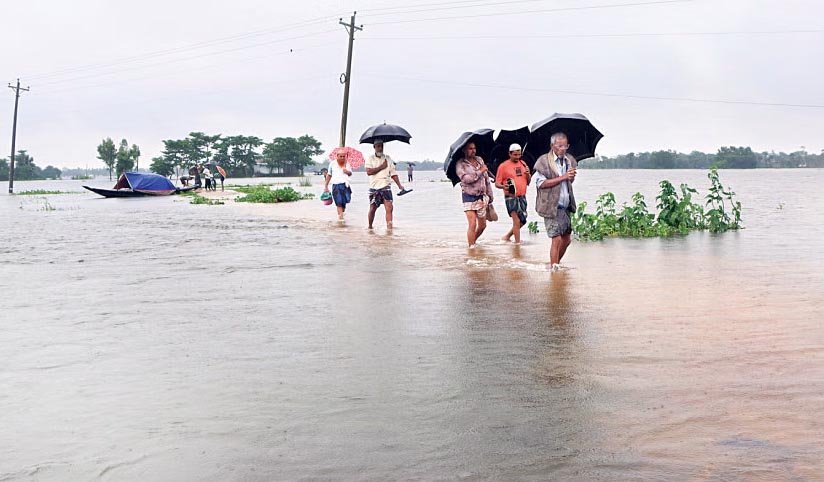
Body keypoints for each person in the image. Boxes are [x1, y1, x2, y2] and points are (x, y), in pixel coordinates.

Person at [533, 132, 578, 271]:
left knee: (567, 239)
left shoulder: (569, 160)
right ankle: (554, 270)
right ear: (552, 146)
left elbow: (569, 181)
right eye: (560, 146)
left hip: (565, 205)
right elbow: (541, 184)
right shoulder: (543, 161)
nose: (563, 149)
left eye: (566, 146)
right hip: (551, 205)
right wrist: (564, 177)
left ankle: (555, 264)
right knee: (556, 238)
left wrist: (571, 177)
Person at [456, 142, 494, 248]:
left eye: (474, 148)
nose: (473, 150)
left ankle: (472, 242)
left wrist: (490, 195)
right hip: (468, 196)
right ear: (464, 150)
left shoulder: (479, 160)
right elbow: (466, 179)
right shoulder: (460, 164)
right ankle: (471, 248)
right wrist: (480, 171)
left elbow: (486, 179)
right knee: (472, 224)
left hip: (482, 196)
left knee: (482, 226)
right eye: (470, 148)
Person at [365, 139, 407, 230]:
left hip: (386, 187)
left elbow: (393, 173)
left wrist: (400, 186)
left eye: (382, 146)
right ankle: (370, 227)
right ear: (374, 147)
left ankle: (389, 229)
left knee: (389, 208)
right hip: (374, 187)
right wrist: (381, 167)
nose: (380, 148)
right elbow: (369, 172)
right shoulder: (370, 158)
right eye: (378, 146)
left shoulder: (388, 158)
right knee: (372, 209)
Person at [495, 143, 531, 244]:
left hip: (522, 196)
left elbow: (528, 182)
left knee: (523, 220)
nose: (517, 157)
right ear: (510, 154)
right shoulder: (503, 166)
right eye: (515, 155)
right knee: (516, 221)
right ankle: (517, 244)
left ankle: (507, 236)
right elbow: (497, 183)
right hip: (510, 197)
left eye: (519, 155)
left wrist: (528, 174)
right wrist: (503, 186)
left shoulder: (523, 164)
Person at [324, 151, 353, 222]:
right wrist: (326, 186)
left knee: (344, 203)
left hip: (345, 185)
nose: (342, 158)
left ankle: (341, 215)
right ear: (337, 156)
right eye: (341, 156)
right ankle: (341, 219)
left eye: (344, 156)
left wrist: (347, 171)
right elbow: (329, 175)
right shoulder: (332, 164)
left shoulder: (347, 164)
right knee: (339, 203)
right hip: (336, 186)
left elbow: (350, 173)